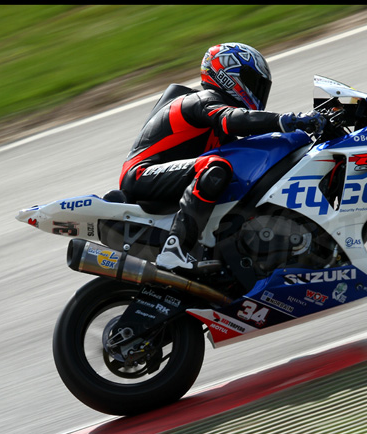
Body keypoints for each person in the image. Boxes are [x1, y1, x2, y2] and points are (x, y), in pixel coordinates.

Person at [118, 42, 325, 273]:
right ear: (228, 75)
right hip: (142, 174)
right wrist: (288, 120)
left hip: (174, 177)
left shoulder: (217, 130)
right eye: (252, 82)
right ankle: (175, 249)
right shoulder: (199, 100)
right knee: (216, 167)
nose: (257, 91)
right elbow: (233, 118)